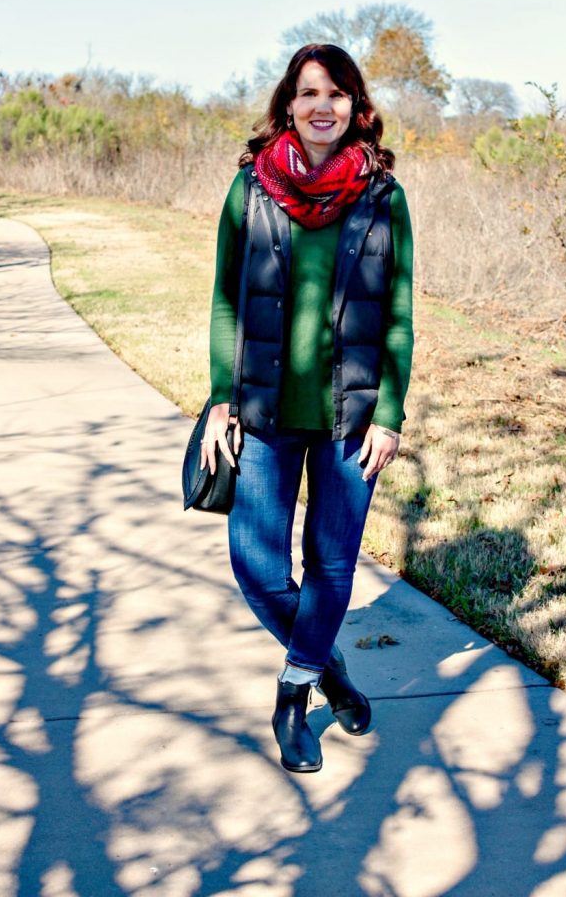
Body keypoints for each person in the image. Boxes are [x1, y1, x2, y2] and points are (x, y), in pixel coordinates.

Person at [200, 43, 414, 773]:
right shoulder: (249, 189)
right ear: (287, 105)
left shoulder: (383, 196)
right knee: (256, 565)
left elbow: (398, 315)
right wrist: (219, 400)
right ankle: (326, 667)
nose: (322, 106)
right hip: (261, 410)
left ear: (356, 107)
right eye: (307, 92)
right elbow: (227, 301)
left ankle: (294, 691)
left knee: (330, 564)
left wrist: (389, 411)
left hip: (350, 419)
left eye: (336, 94)